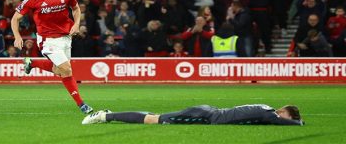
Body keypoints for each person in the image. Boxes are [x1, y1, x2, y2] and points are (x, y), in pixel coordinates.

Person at [11, 0, 93, 114]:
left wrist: (76, 24)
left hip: (66, 37)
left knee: (59, 70)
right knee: (66, 69)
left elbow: (76, 9)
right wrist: (17, 36)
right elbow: (15, 18)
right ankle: (82, 104)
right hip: (47, 40)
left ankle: (32, 62)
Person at [82, 104, 304, 126]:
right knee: (153, 119)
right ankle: (105, 116)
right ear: (283, 112)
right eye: (288, 117)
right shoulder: (269, 114)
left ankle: (109, 115)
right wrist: (299, 123)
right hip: (205, 117)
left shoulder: (263, 107)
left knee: (155, 117)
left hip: (207, 112)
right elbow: (280, 122)